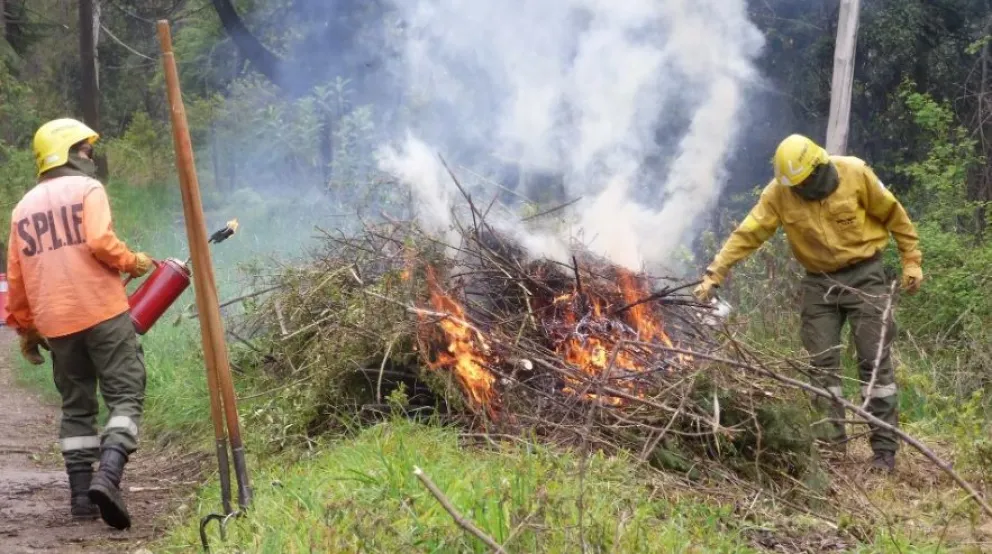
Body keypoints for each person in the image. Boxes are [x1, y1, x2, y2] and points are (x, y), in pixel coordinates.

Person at [693, 134, 922, 473]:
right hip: (819, 283)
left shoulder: (855, 173)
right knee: (821, 366)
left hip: (865, 275)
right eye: (794, 185)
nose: (799, 190)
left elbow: (895, 216)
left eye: (804, 183)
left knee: (874, 363)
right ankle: (832, 449)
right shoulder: (779, 193)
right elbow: (748, 233)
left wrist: (911, 260)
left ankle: (884, 451)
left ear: (819, 167)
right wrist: (715, 273)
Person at [5, 118, 154, 528]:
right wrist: (133, 261)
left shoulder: (22, 209)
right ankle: (109, 476)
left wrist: (26, 328)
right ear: (66, 153)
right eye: (86, 150)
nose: (90, 157)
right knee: (126, 394)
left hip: (56, 325)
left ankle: (80, 499)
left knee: (76, 405)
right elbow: (101, 242)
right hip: (103, 312)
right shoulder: (88, 189)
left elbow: (17, 277)